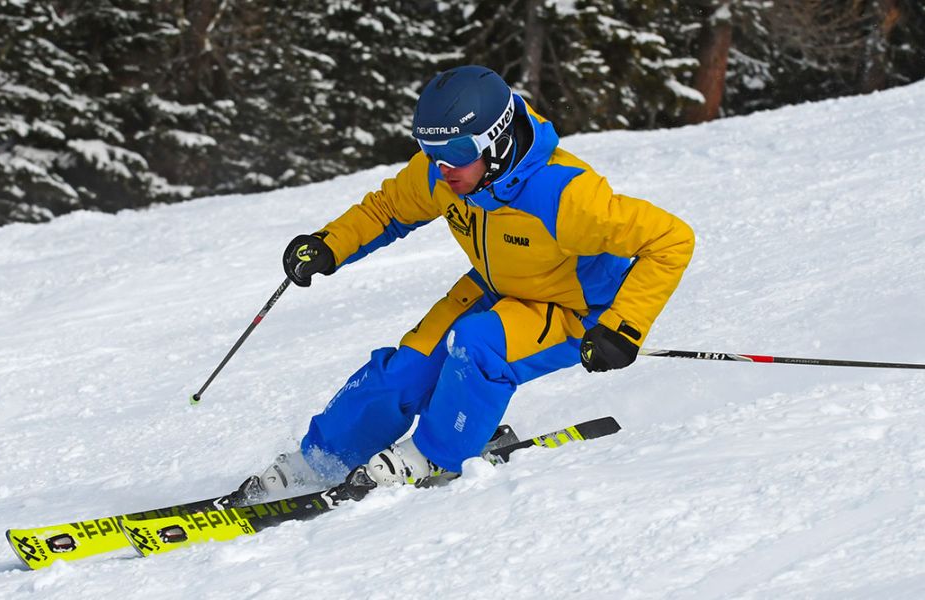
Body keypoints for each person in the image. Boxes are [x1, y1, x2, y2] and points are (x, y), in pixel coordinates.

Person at [263, 65, 694, 492]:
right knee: (408, 367)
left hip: (574, 307)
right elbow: (388, 209)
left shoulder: (564, 196)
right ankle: (323, 459)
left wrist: (623, 327)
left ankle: (436, 457)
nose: (443, 168)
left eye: (457, 153)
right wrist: (329, 244)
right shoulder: (446, 173)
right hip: (498, 286)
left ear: (499, 141)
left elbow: (671, 239)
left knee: (477, 344)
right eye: (431, 150)